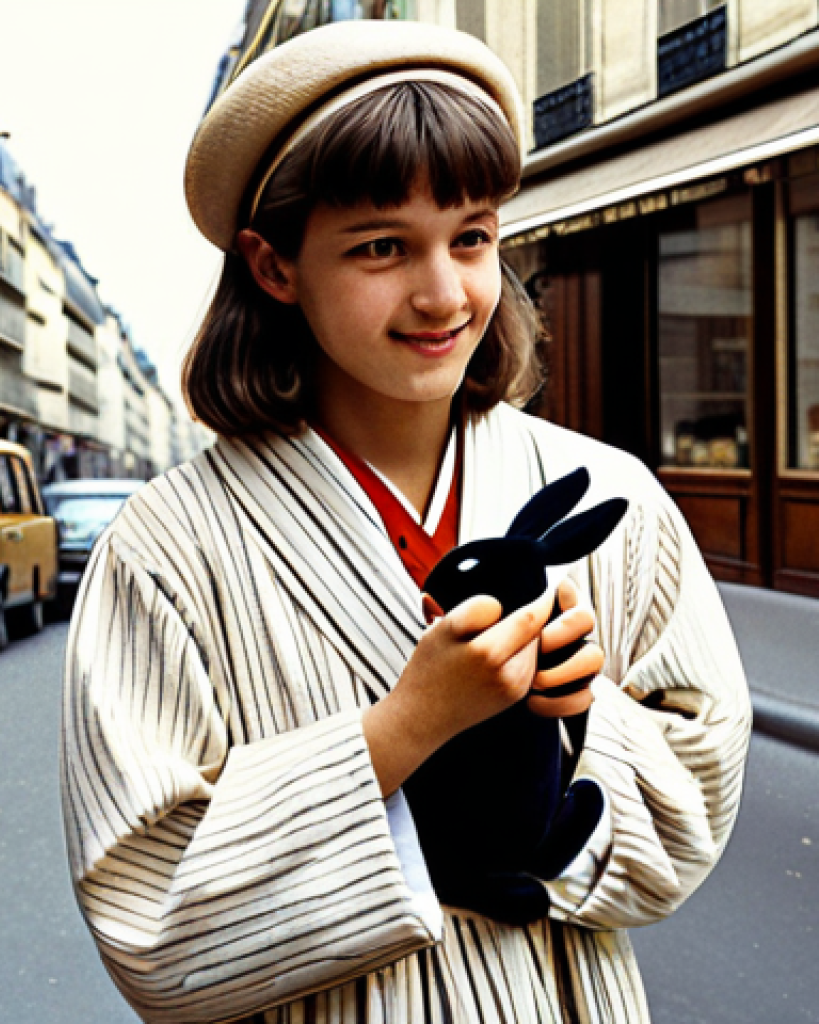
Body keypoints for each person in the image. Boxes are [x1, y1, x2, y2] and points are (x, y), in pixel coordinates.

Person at [61, 19, 751, 1024]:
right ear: (272, 264)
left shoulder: (616, 497)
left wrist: (579, 713)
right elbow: (145, 919)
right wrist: (405, 728)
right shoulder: (163, 550)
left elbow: (697, 797)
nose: (442, 293)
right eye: (382, 246)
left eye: (470, 235)